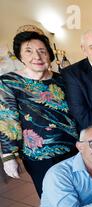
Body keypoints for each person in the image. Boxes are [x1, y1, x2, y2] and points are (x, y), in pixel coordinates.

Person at [0, 31, 78, 197]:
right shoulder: (10, 82)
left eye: (42, 51)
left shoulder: (62, 79)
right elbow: (7, 119)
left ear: (49, 54)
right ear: (20, 56)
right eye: (29, 51)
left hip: (75, 149)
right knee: (54, 201)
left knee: (82, 193)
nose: (37, 56)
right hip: (40, 156)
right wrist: (8, 156)